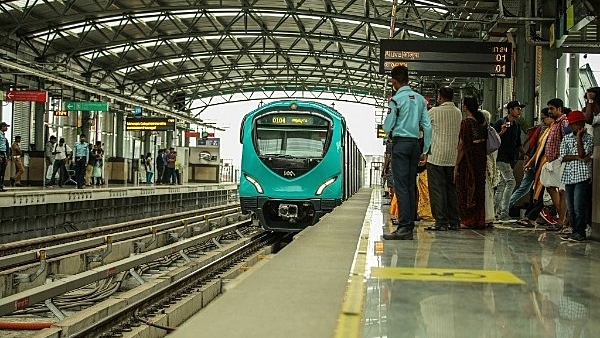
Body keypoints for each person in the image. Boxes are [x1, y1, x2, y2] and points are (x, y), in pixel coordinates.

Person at [381, 65, 432, 240]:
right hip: (415, 145)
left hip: (401, 145)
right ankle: (408, 226)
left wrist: (389, 127)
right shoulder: (420, 100)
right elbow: (427, 125)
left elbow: (388, 125)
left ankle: (404, 227)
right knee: (411, 185)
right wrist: (425, 149)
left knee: (401, 186)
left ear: (394, 82)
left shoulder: (395, 100)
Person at [424, 86, 462, 231]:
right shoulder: (458, 113)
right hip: (452, 157)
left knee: (437, 189)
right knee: (451, 189)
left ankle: (440, 221)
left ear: (440, 97)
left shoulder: (434, 111)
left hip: (437, 157)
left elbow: (423, 124)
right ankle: (454, 221)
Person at [558, 111, 593, 242]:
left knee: (579, 206)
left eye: (578, 124)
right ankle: (573, 230)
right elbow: (563, 157)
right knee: (571, 206)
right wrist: (578, 157)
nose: (575, 126)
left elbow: (582, 154)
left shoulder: (588, 138)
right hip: (568, 176)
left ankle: (580, 232)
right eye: (573, 124)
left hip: (582, 176)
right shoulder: (566, 138)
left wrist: (579, 138)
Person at [516, 108, 555, 227]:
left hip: (548, 165)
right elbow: (539, 149)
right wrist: (531, 162)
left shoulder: (553, 129)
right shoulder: (546, 130)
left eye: (544, 118)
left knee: (542, 191)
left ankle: (533, 216)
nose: (543, 121)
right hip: (540, 164)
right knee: (536, 191)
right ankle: (532, 216)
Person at [454, 97, 487, 229]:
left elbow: (462, 145)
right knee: (479, 188)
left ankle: (467, 219)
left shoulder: (467, 123)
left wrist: (456, 164)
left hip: (468, 160)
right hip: (481, 158)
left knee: (466, 188)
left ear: (466, 106)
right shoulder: (483, 121)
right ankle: (479, 219)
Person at [493, 101, 527, 222]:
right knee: (511, 182)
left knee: (502, 185)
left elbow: (518, 143)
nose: (519, 111)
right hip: (501, 158)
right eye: (517, 109)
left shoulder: (517, 126)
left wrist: (525, 154)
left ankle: (493, 211)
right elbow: (492, 139)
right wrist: (501, 132)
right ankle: (504, 213)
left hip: (511, 159)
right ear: (510, 110)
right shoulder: (500, 123)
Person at [542, 98, 569, 231]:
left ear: (559, 109)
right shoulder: (555, 123)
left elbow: (567, 140)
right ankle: (562, 216)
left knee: (562, 191)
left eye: (552, 108)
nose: (549, 111)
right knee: (549, 186)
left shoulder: (564, 122)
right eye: (549, 108)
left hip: (560, 161)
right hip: (552, 162)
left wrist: (564, 158)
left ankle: (562, 220)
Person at [481, 110, 498, 227]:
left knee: (485, 190)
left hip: (485, 162)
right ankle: (489, 216)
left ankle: (486, 216)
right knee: (489, 190)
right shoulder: (492, 131)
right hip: (491, 162)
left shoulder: (482, 132)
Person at [0, 122, 10, 192]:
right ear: (2, 127)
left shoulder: (4, 136)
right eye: (6, 127)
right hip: (0, 153)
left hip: (3, 153)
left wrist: (6, 157)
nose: (6, 128)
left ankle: (1, 185)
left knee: (2, 171)